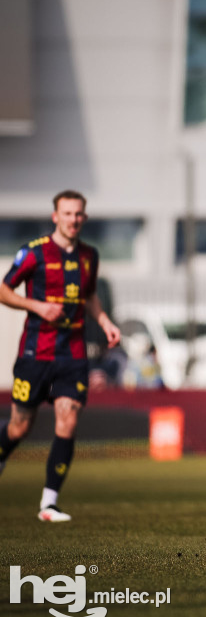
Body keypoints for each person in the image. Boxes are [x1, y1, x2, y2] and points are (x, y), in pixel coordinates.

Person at [0, 190, 121, 521]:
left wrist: (105, 321)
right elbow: (3, 290)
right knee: (20, 427)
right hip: (35, 352)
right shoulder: (34, 253)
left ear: (85, 216)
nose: (74, 219)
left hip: (72, 353)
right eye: (67, 213)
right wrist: (36, 305)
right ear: (56, 216)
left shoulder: (89, 256)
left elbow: (90, 296)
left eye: (79, 214)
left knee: (68, 419)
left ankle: (48, 504)